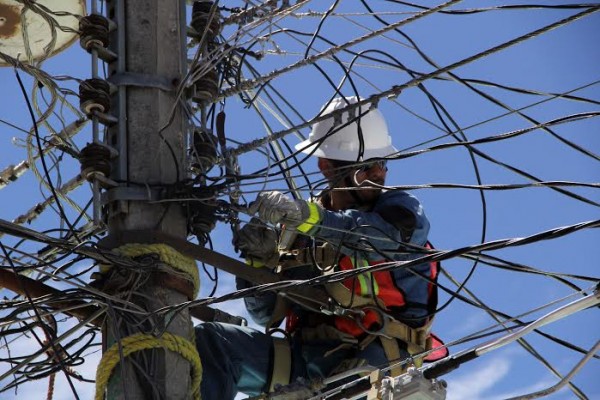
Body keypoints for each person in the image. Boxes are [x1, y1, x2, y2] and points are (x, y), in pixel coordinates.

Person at [195, 97, 441, 400]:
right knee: (212, 343)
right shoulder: (300, 231)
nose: (378, 174)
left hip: (379, 364)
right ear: (327, 167)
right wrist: (258, 264)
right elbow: (266, 314)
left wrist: (305, 218)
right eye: (365, 167)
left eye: (381, 163)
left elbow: (373, 238)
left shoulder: (401, 214)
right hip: (306, 362)